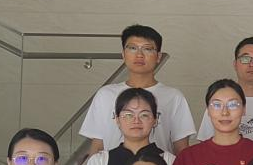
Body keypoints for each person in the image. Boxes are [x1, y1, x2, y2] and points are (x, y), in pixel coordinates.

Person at [80, 24, 196, 156]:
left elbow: (181, 149)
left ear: (158, 56)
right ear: (123, 54)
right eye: (133, 48)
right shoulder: (105, 95)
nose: (139, 55)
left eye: (147, 49)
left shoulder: (173, 97)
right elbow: (97, 146)